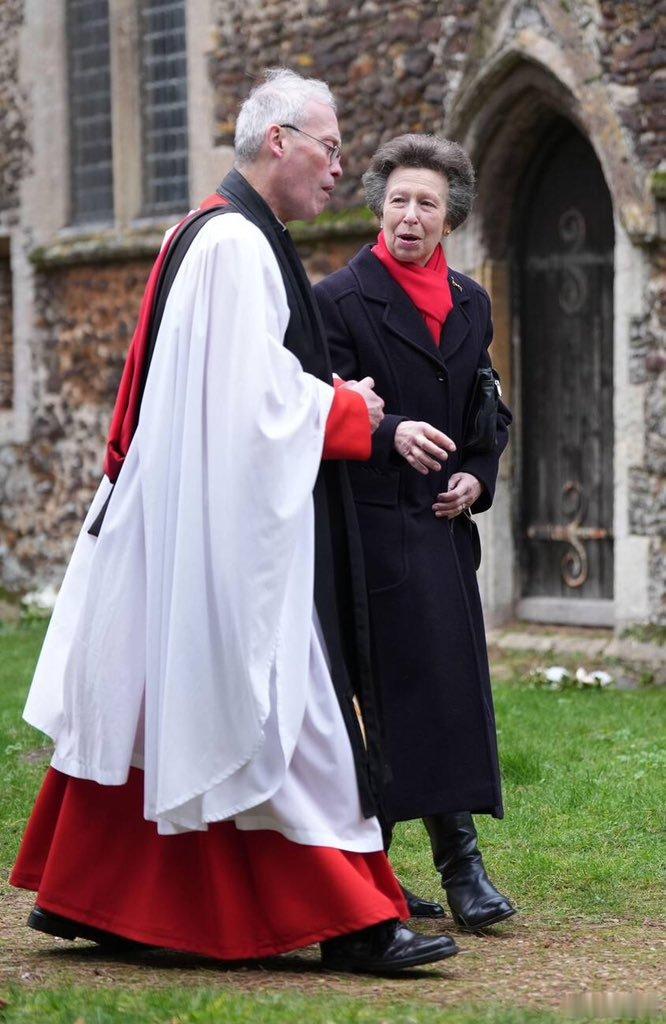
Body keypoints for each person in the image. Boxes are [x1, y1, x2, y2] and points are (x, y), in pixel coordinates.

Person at [10, 76, 459, 972]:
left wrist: (322, 397)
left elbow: (230, 384)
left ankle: (105, 898)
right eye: (330, 147)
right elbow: (247, 407)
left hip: (186, 514)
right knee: (286, 711)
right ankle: (352, 921)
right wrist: (349, 414)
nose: (340, 168)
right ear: (278, 140)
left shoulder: (214, 229)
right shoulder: (234, 244)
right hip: (218, 531)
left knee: (165, 703)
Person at [314, 133, 516, 931]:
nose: (409, 215)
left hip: (439, 532)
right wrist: (387, 429)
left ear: (449, 218)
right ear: (379, 209)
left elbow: (487, 410)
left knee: (441, 694)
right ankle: (410, 875)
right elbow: (314, 411)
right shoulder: (338, 301)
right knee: (380, 704)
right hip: (365, 536)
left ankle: (437, 870)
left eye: (426, 203)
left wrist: (478, 475)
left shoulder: (472, 302)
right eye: (398, 199)